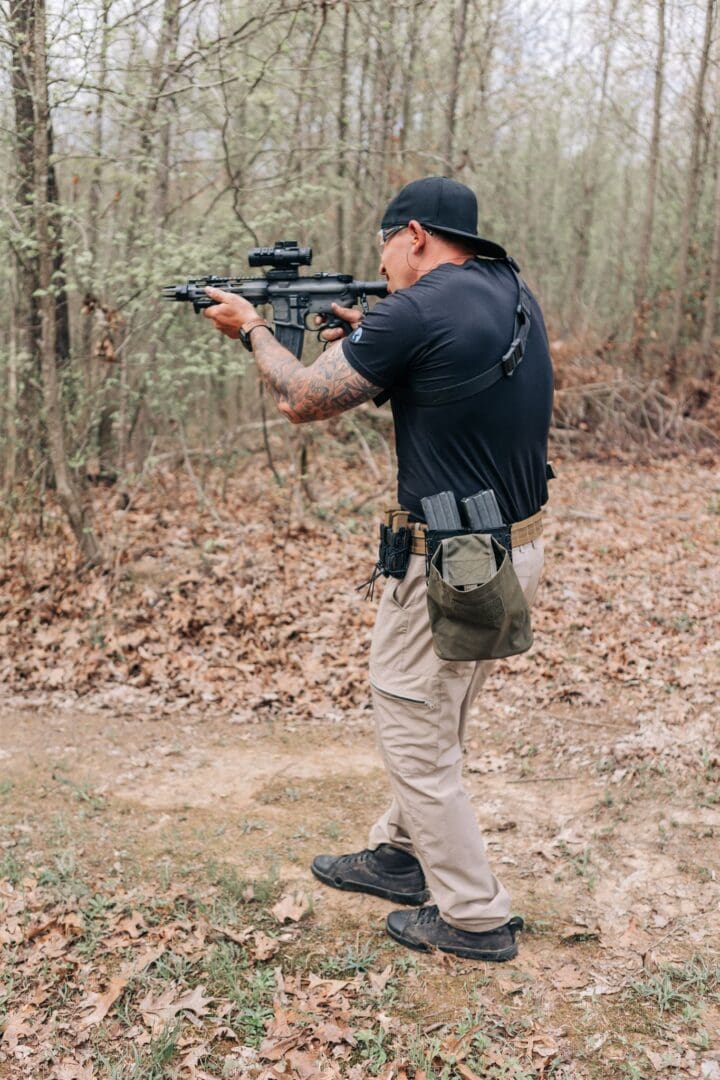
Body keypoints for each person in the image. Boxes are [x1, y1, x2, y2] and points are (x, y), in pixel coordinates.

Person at [203, 176, 553, 962]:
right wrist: (376, 336)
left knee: (411, 722)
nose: (383, 263)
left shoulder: (417, 308)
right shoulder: (506, 290)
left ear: (417, 235)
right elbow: (442, 372)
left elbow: (300, 399)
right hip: (512, 545)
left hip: (452, 558)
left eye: (386, 246)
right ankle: (401, 856)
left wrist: (251, 327)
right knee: (439, 713)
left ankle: (473, 917)